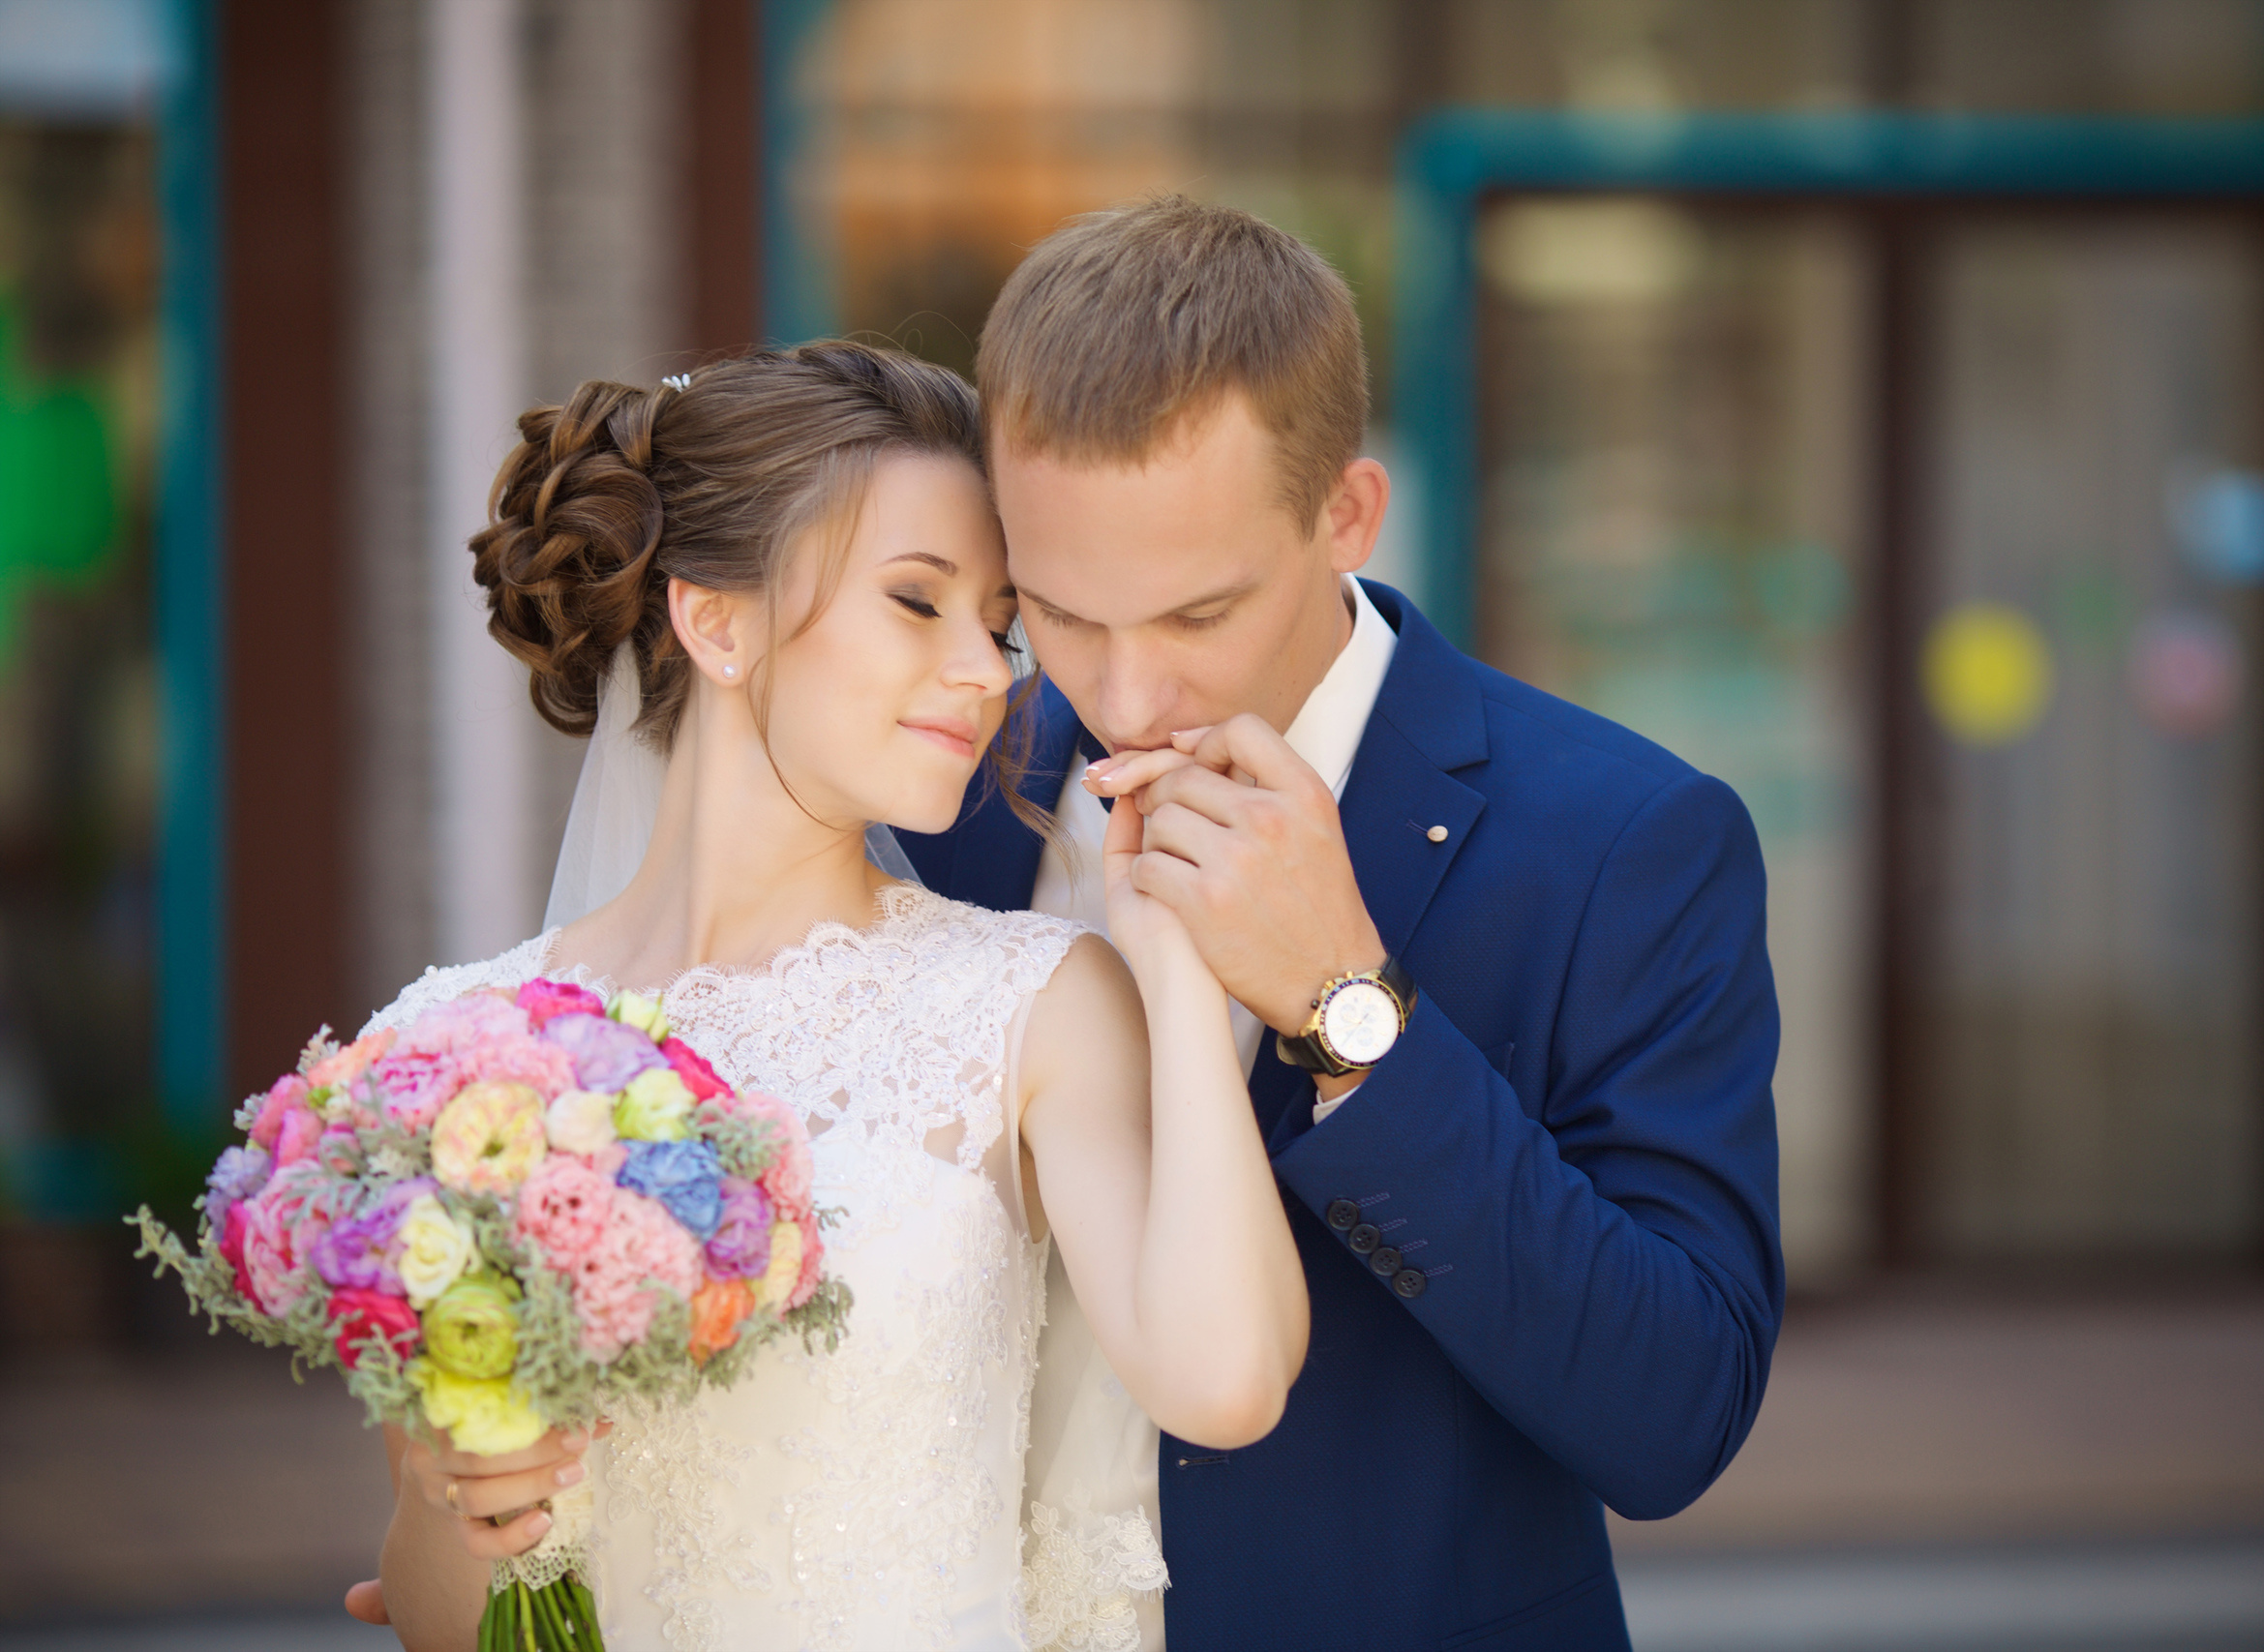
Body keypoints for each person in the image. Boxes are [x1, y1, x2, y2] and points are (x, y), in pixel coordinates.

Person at [886, 196, 1786, 1650]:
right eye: (1054, 612)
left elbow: (1675, 1416)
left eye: (1195, 616)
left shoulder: (1625, 843)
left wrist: (1348, 1004)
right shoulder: (939, 807)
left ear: (1346, 516)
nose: (1120, 698)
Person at [362, 340, 1309, 1651]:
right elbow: (446, 1623)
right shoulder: (448, 1055)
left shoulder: (1033, 1003)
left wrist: (1176, 969)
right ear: (716, 621)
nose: (990, 673)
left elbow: (1227, 1383)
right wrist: (442, 1485)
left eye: (998, 623)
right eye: (919, 602)